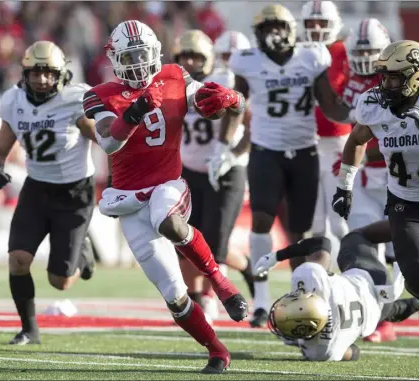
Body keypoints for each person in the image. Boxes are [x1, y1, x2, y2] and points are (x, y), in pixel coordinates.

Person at [84, 20, 248, 374]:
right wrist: (135, 112)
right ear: (116, 59)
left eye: (143, 53)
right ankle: (217, 351)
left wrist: (228, 99)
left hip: (168, 184)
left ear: (156, 52)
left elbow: (212, 101)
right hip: (129, 200)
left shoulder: (174, 75)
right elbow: (108, 140)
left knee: (169, 221)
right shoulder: (97, 94)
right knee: (174, 296)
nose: (139, 62)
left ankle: (221, 283)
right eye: (131, 56)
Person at [214, 4, 355, 328]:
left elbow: (330, 104)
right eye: (267, 29)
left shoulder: (311, 57)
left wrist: (359, 114)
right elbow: (236, 104)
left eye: (278, 27)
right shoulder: (247, 61)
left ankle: (300, 294)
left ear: (290, 30)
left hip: (305, 152)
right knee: (262, 219)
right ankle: (261, 300)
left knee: (300, 231)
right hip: (266, 151)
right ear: (258, 34)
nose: (273, 34)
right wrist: (224, 146)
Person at [0, 41, 97, 345]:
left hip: (74, 194)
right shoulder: (13, 101)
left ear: (61, 74)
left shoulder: (75, 100)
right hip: (36, 189)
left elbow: (105, 139)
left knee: (59, 281)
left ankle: (83, 256)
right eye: (35, 72)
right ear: (25, 73)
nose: (41, 79)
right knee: (18, 259)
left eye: (48, 72)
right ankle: (29, 329)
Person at [332, 40, 419, 322]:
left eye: (394, 77)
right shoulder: (374, 104)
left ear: (416, 77)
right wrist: (344, 186)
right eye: (384, 77)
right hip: (408, 203)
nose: (386, 84)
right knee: (417, 282)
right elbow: (356, 139)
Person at [254, 220, 419, 361]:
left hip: (373, 315)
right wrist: (277, 256)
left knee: (389, 310)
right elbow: (321, 243)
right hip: (371, 278)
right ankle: (412, 227)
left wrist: (308, 341)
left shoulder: (320, 352)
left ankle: (417, 304)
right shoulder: (312, 278)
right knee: (356, 237)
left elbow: (354, 352)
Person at [175, 29, 254, 324]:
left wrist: (232, 153)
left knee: (214, 242)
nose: (192, 62)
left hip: (223, 170)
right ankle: (196, 298)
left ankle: (210, 298)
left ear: (209, 59)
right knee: (183, 241)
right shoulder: (173, 85)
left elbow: (248, 115)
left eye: (197, 56)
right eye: (186, 56)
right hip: (188, 170)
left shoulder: (223, 82)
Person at [340, 18, 398, 342]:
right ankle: (381, 317)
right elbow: (354, 136)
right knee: (366, 244)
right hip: (364, 177)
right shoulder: (351, 84)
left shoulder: (401, 83)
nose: (365, 59)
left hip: (399, 176)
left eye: (372, 52)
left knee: (401, 250)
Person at [301, 0, 351, 251]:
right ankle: (322, 275)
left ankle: (359, 270)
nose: (317, 27)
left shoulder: (346, 52)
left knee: (340, 219)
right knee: (315, 222)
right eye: (311, 22)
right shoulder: (298, 52)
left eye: (322, 22)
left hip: (338, 143)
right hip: (306, 142)